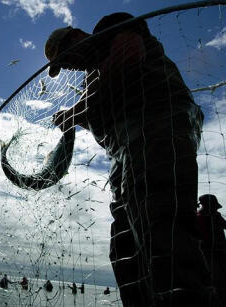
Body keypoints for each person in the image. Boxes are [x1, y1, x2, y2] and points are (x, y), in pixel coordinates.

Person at [46, 12, 217, 307]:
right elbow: (100, 104)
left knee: (162, 231)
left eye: (66, 58)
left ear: (75, 38)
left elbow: (129, 54)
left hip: (158, 129)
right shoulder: (90, 81)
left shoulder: (110, 28)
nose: (70, 67)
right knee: (124, 249)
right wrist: (78, 116)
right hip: (124, 155)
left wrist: (74, 112)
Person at [197, 194, 226, 303]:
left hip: (218, 251)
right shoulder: (200, 218)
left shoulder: (215, 216)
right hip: (207, 253)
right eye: (213, 207)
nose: (215, 209)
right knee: (215, 279)